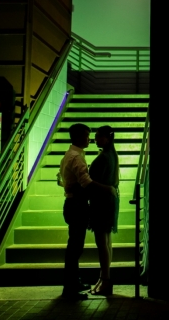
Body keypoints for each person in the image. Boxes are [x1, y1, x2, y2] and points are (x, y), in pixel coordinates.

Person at [59, 123, 117, 300]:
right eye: (86, 136)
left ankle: (74, 282)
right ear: (77, 137)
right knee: (75, 247)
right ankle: (71, 287)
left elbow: (66, 179)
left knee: (75, 246)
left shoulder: (73, 155)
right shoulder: (77, 157)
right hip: (77, 205)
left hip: (74, 203)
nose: (90, 139)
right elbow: (86, 182)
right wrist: (108, 189)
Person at [88, 126, 120, 296]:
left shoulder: (103, 157)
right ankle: (104, 277)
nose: (95, 139)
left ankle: (105, 279)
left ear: (107, 139)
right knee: (107, 241)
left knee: (101, 243)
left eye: (98, 136)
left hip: (101, 202)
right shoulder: (112, 155)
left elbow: (91, 180)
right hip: (110, 201)